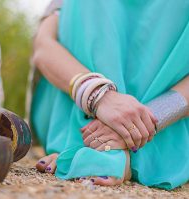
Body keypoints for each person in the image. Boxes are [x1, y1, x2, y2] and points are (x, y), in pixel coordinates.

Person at [31, 0, 189, 189]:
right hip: (73, 97)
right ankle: (90, 142)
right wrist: (99, 97)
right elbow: (43, 45)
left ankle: (113, 148)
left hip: (170, 118)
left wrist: (144, 120)